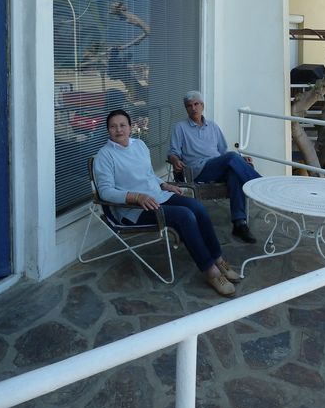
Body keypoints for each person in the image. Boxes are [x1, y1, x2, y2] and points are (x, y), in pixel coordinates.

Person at [93, 109, 240, 297]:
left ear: (130, 128)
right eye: (113, 127)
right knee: (184, 216)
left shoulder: (139, 145)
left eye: (122, 125)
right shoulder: (104, 156)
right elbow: (106, 192)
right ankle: (210, 271)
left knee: (198, 207)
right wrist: (136, 197)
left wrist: (164, 185)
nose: (118, 130)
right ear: (108, 131)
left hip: (157, 196)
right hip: (133, 209)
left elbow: (148, 175)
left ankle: (219, 260)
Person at [168, 91, 261, 244]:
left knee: (234, 173)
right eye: (189, 106)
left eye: (196, 104)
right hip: (198, 170)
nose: (193, 108)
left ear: (202, 106)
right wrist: (175, 160)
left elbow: (223, 152)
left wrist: (241, 159)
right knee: (232, 157)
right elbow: (173, 153)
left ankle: (239, 224)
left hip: (218, 165)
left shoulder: (212, 126)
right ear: (186, 109)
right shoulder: (180, 127)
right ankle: (259, 186)